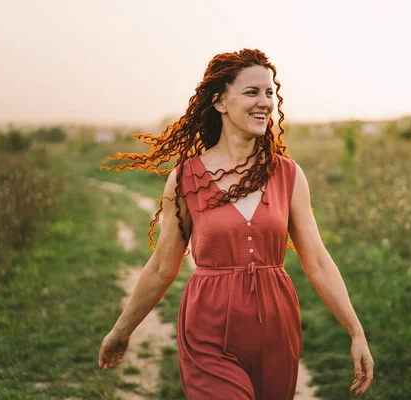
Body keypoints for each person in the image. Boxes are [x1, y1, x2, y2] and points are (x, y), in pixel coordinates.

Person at [98, 48, 374, 398]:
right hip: (208, 328)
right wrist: (121, 331)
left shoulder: (288, 174)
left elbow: (316, 260)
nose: (265, 102)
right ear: (220, 102)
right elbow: (162, 267)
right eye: (251, 92)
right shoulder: (186, 179)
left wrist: (356, 332)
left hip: (276, 326)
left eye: (269, 92)